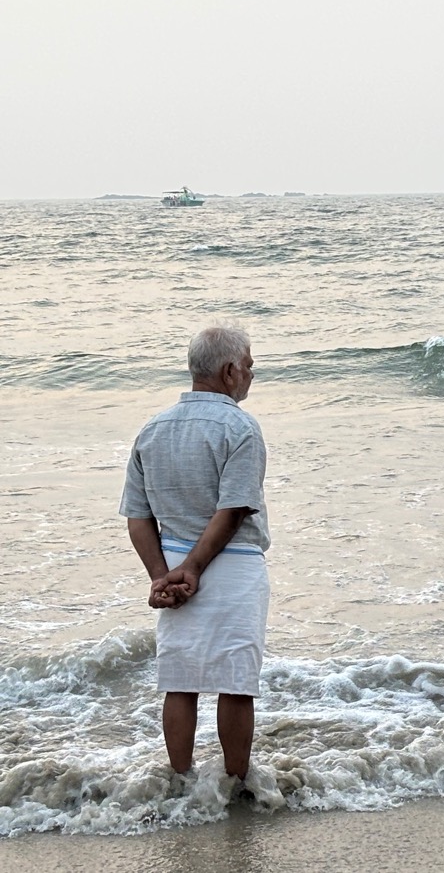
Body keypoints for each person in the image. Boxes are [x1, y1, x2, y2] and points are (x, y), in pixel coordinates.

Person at [119, 325, 270, 779]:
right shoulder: (240, 427)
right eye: (247, 365)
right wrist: (193, 568)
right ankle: (236, 783)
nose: (250, 374)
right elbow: (234, 509)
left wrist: (161, 575)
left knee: (181, 683)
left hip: (174, 567)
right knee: (235, 685)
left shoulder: (153, 428)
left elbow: (137, 516)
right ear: (228, 372)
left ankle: (180, 781)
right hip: (232, 565)